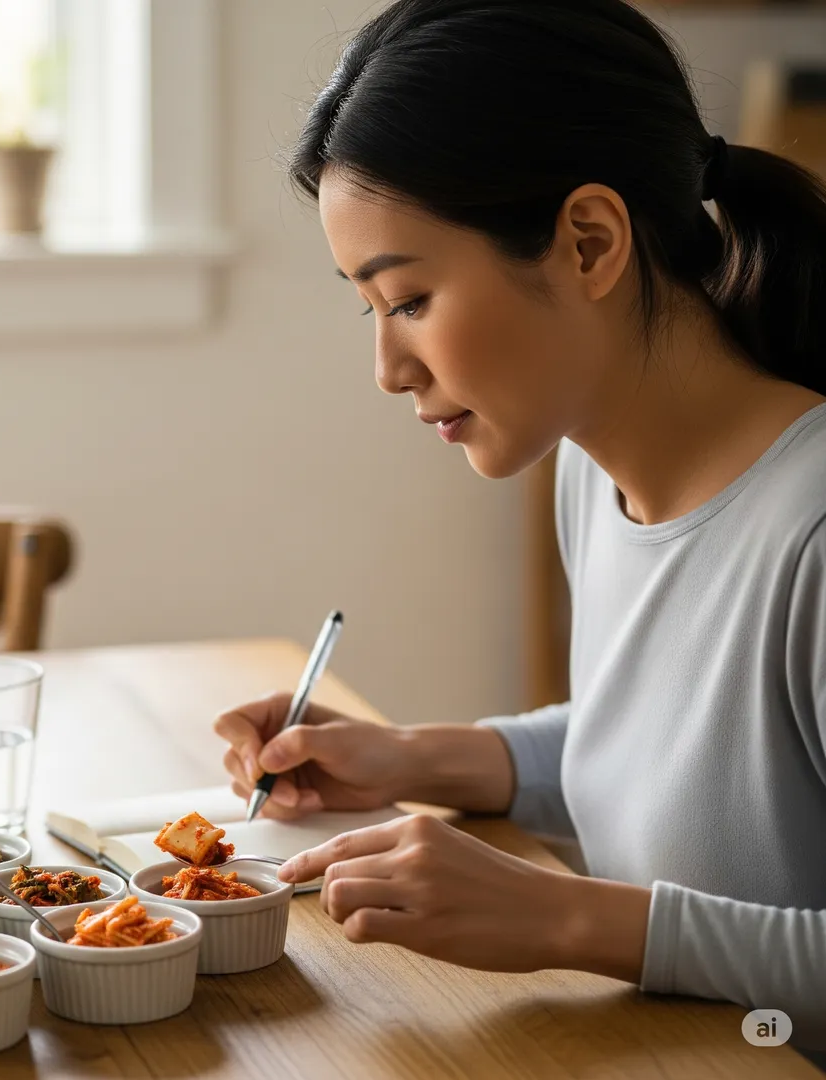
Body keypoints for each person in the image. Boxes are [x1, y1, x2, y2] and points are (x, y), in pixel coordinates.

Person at [214, 0, 826, 1064]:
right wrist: (423, 759)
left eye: (407, 297)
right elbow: (682, 757)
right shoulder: (593, 472)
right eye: (370, 311)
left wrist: (566, 920)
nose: (389, 370)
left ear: (590, 242)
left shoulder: (813, 537)